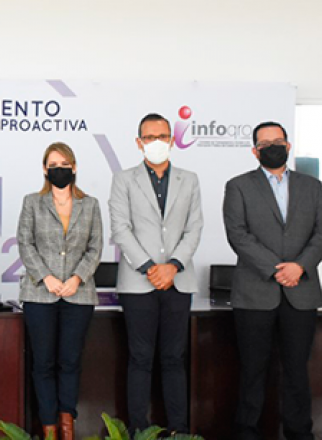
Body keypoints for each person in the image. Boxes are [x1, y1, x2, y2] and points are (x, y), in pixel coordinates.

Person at [223, 121, 322, 440]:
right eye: (265, 144)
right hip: (254, 293)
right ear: (254, 151)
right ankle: (247, 433)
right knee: (253, 370)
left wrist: (300, 267)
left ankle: (299, 433)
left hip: (301, 291)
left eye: (278, 141)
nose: (272, 147)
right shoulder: (238, 186)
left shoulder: (312, 186)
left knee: (297, 371)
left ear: (288, 145)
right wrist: (277, 269)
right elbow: (238, 234)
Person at [108, 113, 203, 434]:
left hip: (179, 280)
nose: (156, 142)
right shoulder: (123, 180)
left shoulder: (189, 179)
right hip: (138, 282)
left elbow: (194, 228)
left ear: (172, 140)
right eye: (149, 137)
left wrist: (173, 265)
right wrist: (150, 268)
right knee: (140, 358)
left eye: (162, 136)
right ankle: (140, 432)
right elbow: (121, 229)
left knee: (174, 358)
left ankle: (178, 432)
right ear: (139, 143)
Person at [17, 142, 102, 440]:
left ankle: (67, 427)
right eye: (53, 165)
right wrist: (46, 277)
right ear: (44, 169)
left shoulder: (90, 204)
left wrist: (77, 278)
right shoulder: (32, 202)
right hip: (40, 295)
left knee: (70, 362)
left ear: (74, 167)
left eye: (65, 164)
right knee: (43, 363)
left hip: (78, 295)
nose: (59, 170)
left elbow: (95, 247)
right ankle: (49, 428)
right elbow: (25, 243)